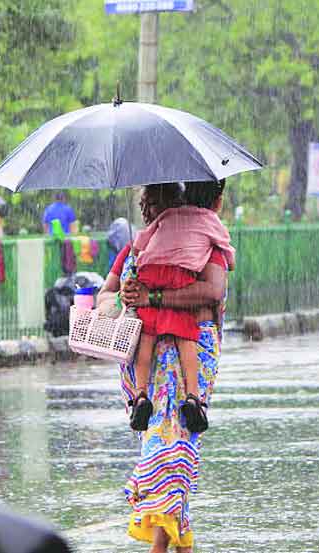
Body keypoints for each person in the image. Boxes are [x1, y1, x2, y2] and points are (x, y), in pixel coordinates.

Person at [95, 181, 229, 553]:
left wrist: (155, 296)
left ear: (177, 204)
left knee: (169, 448)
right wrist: (116, 300)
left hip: (183, 368)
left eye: (157, 202)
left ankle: (160, 546)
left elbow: (212, 292)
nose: (148, 210)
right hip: (143, 364)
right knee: (165, 446)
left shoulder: (204, 246)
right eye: (145, 203)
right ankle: (181, 545)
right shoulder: (135, 249)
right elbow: (107, 291)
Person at [127, 182, 235, 434]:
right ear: (217, 202)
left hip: (151, 275)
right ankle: (193, 397)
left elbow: (142, 241)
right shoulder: (209, 227)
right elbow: (214, 290)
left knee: (146, 342)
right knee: (186, 339)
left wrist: (139, 257)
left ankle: (140, 394)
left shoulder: (167, 219)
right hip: (178, 279)